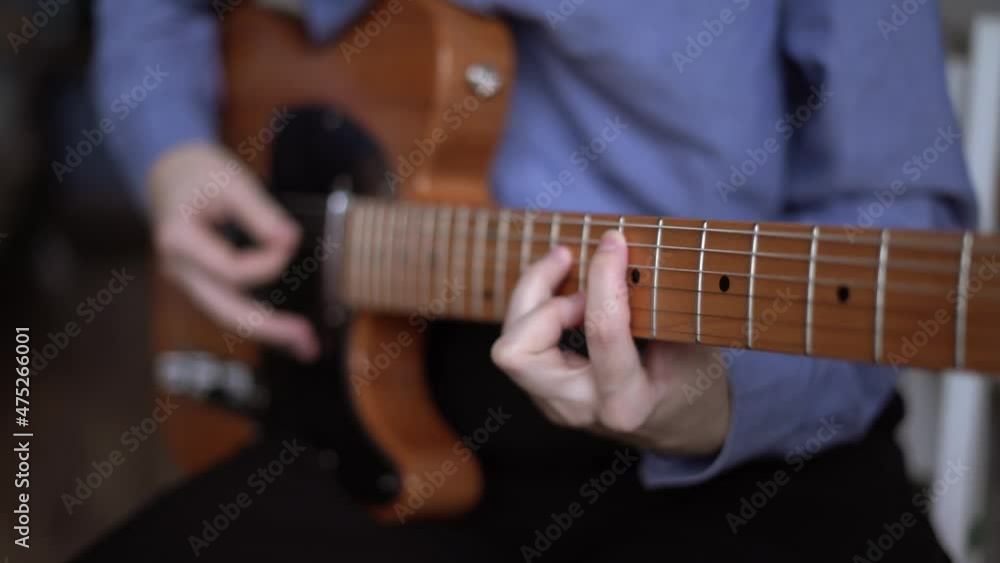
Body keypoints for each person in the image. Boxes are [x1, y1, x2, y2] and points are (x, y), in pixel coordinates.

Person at [79, 0, 974, 561]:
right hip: (363, 409)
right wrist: (169, 145)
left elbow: (902, 220)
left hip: (735, 434)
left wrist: (706, 399)